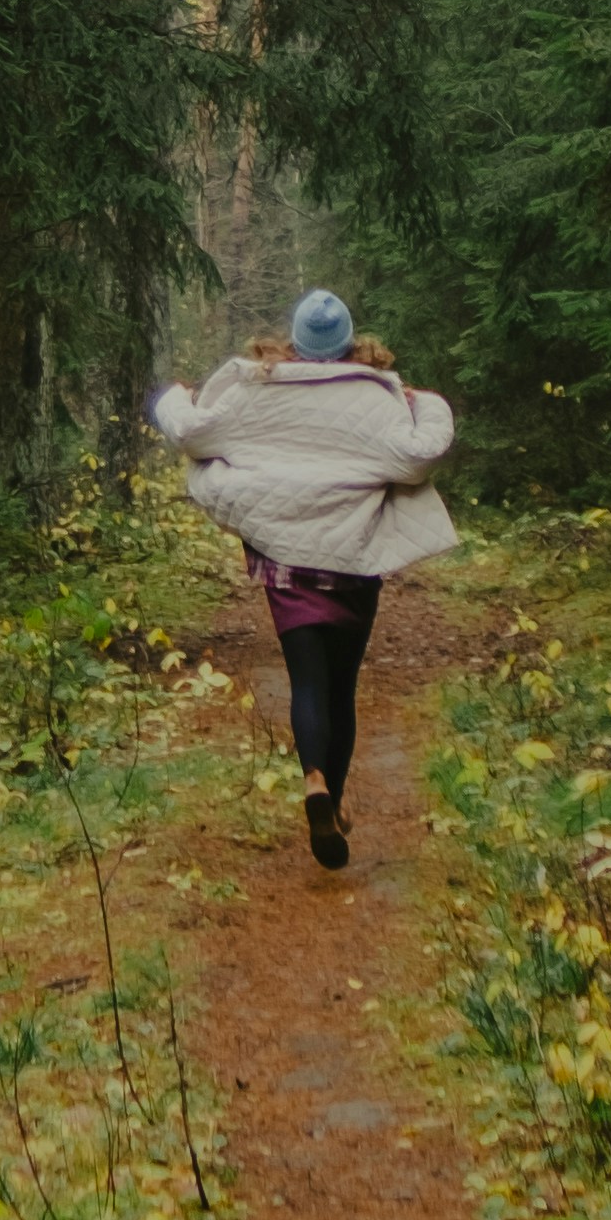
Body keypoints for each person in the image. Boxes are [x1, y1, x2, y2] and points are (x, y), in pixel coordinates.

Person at [146, 288, 457, 870]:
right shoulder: (377, 398)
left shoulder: (258, 388)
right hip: (353, 563)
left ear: (294, 339)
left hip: (288, 564)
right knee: (342, 689)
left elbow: (191, 433)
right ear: (351, 343)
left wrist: (173, 396)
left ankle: (313, 780)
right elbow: (420, 456)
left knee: (307, 684)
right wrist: (427, 402)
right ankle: (331, 802)